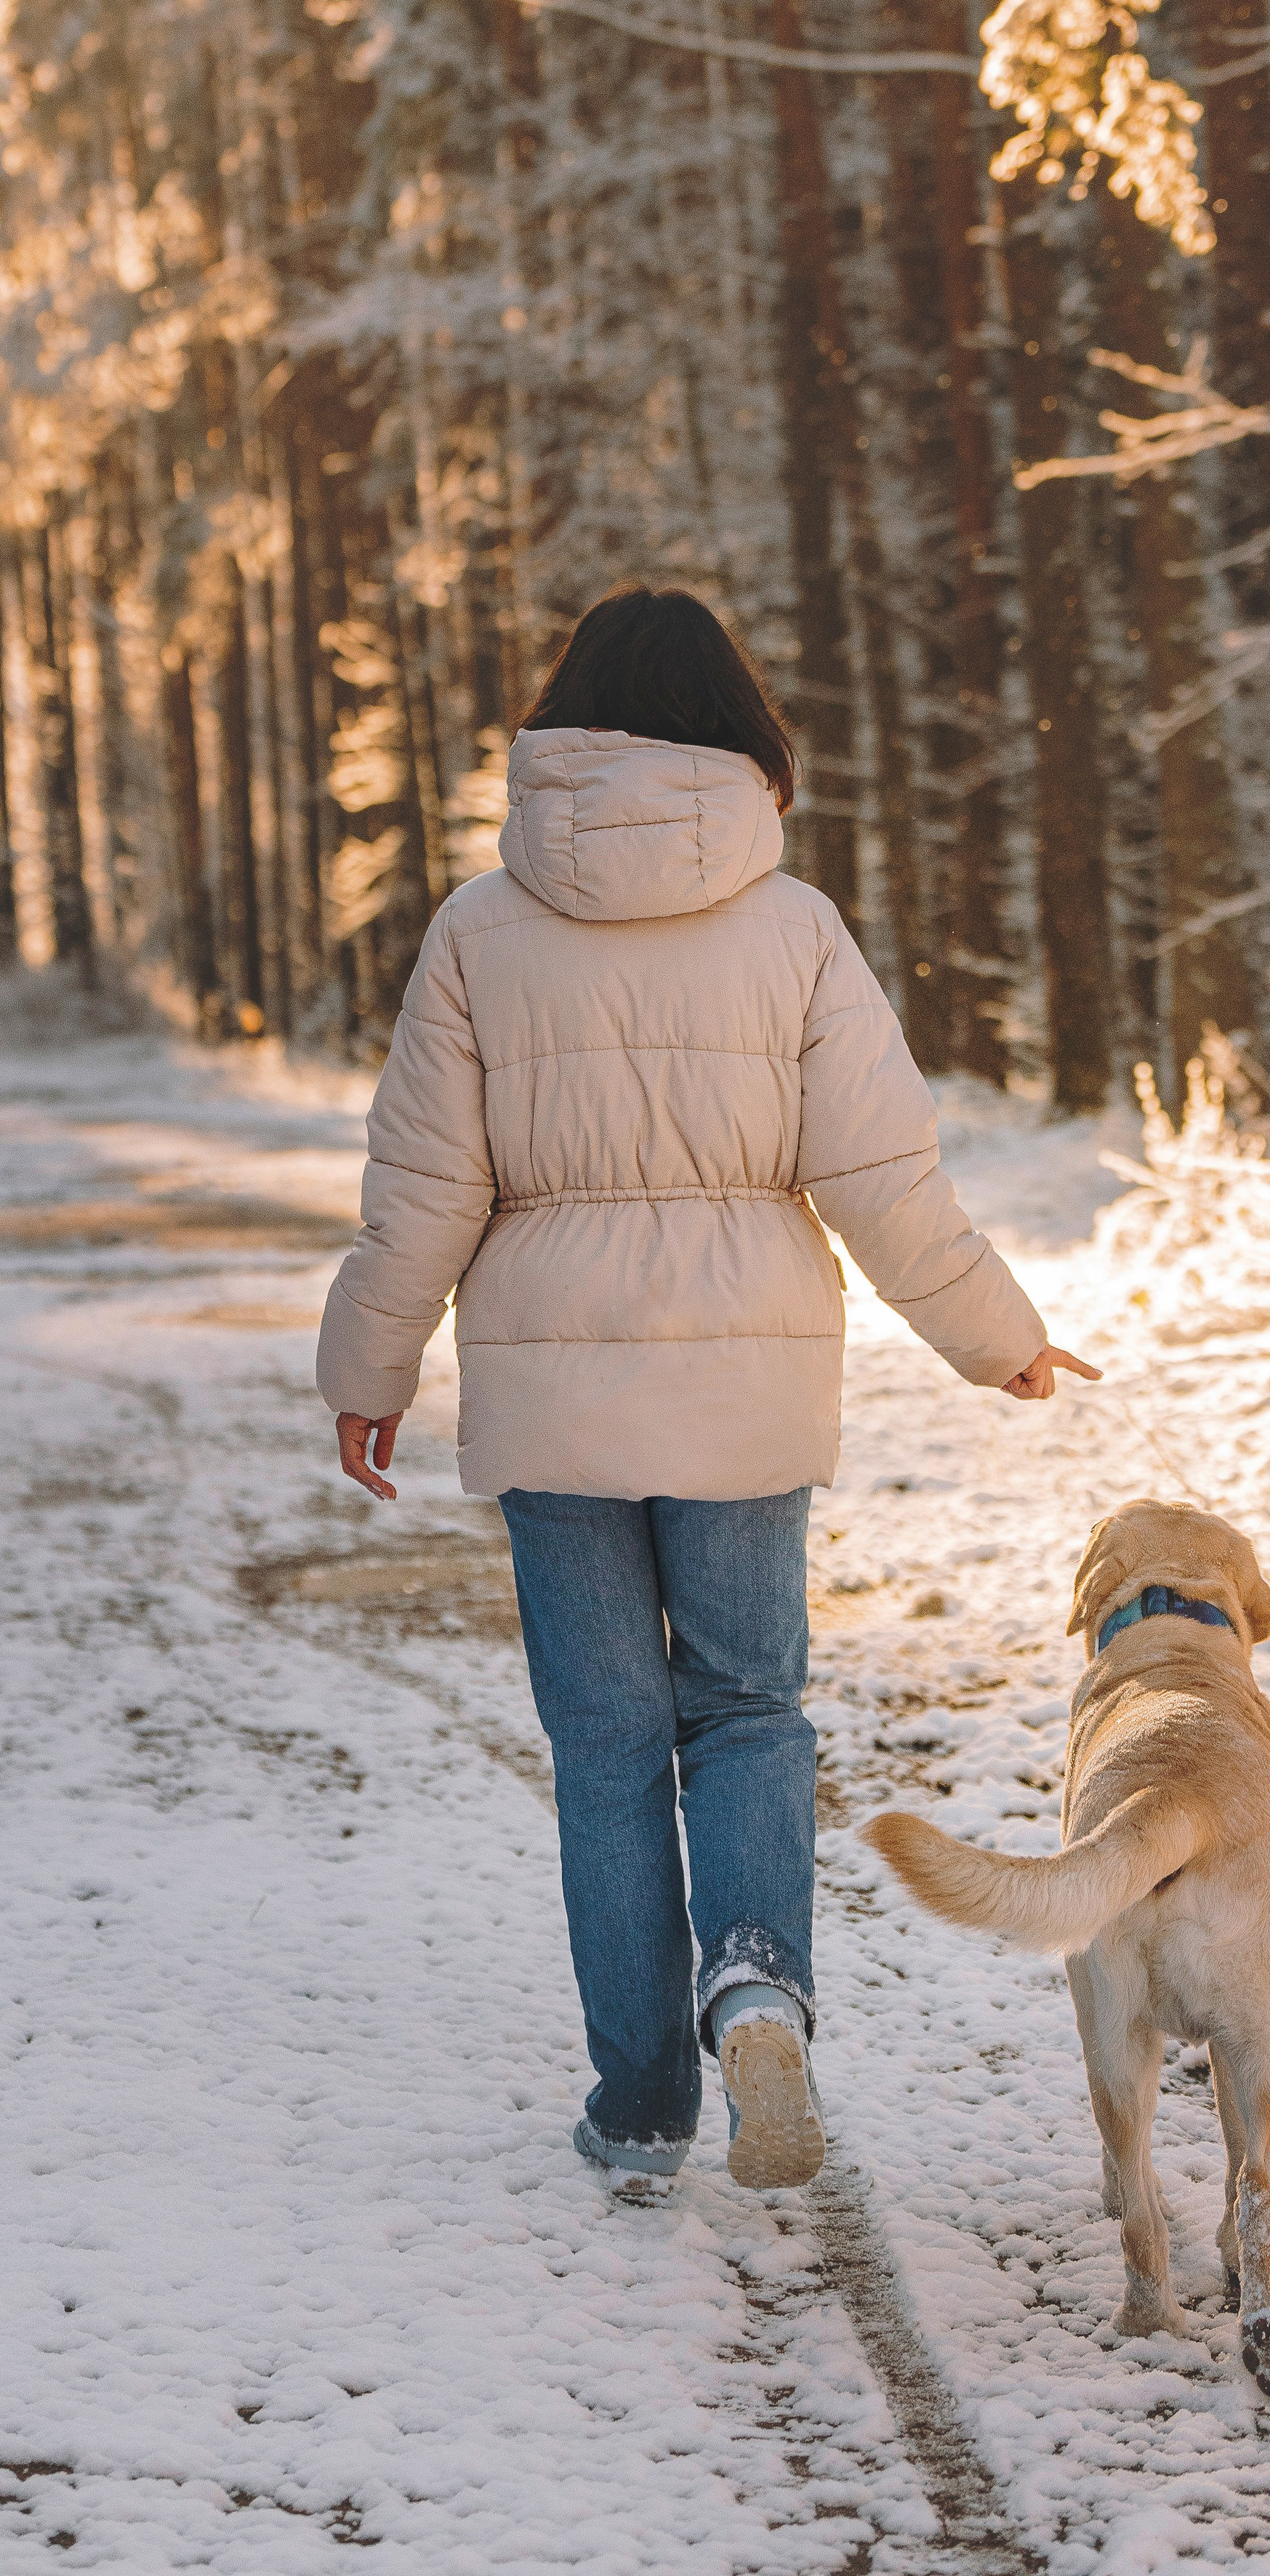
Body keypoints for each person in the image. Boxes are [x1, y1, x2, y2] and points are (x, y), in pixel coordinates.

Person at [316, 588, 1098, 2194]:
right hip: (746, 1385)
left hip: (553, 1395)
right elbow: (880, 1175)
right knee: (746, 1709)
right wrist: (994, 1333)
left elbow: (425, 1190)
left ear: (563, 729)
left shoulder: (479, 929)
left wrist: (369, 1367)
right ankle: (755, 1990)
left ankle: (639, 2104)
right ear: (741, 732)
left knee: (607, 1746)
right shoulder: (792, 925)